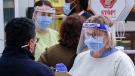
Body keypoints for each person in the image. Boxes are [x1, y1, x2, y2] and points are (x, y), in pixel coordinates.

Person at [69, 15, 135, 76]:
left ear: (108, 36)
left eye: (95, 34)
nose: (91, 39)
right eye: (88, 34)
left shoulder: (120, 61)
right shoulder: (81, 58)